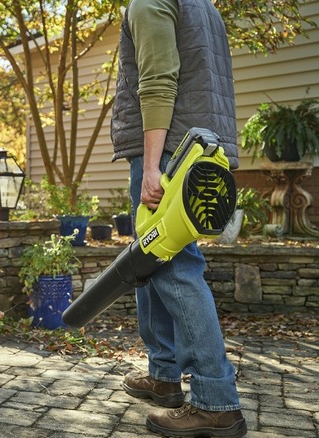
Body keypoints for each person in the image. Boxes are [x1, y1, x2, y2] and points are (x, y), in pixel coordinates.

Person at [110, 0, 247, 437]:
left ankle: (216, 401)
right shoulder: (202, 5)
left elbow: (158, 81)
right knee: (151, 263)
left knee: (174, 266)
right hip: (201, 144)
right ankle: (164, 375)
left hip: (170, 148)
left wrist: (152, 166)